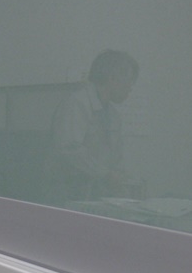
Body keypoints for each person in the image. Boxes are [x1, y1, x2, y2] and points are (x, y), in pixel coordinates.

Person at [45, 50, 139, 204]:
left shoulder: (113, 116)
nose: (130, 87)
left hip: (94, 196)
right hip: (66, 196)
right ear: (112, 78)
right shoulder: (77, 103)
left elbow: (115, 160)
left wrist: (120, 180)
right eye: (129, 80)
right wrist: (106, 175)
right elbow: (68, 149)